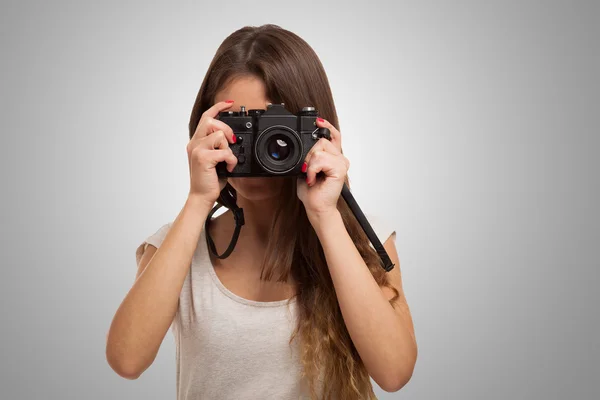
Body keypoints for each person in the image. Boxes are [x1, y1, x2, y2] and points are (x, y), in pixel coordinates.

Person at [106, 24, 417, 400]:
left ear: (317, 131)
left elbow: (394, 373)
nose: (259, 150)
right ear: (203, 130)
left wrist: (326, 216)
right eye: (239, 128)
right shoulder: (178, 246)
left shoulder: (365, 242)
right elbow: (126, 361)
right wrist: (197, 200)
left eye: (277, 131)